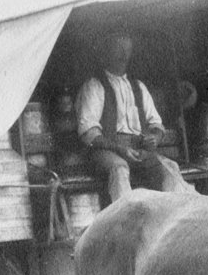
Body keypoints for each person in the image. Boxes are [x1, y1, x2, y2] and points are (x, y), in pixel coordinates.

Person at [74, 31, 194, 203]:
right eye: (118, 49)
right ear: (106, 51)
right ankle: (126, 218)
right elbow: (88, 133)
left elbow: (156, 124)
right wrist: (120, 149)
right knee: (119, 168)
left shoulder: (138, 86)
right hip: (106, 151)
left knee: (170, 168)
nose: (123, 55)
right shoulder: (94, 86)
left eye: (127, 50)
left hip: (139, 150)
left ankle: (175, 214)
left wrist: (155, 138)